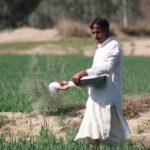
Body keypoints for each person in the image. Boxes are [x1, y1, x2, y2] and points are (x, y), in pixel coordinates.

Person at [59, 17, 131, 149]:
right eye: (93, 33)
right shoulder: (99, 49)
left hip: (109, 100)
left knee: (113, 139)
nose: (95, 36)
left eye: (98, 32)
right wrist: (70, 84)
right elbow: (94, 76)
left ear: (106, 30)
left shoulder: (113, 46)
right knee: (91, 137)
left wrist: (83, 72)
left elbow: (106, 68)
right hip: (95, 99)